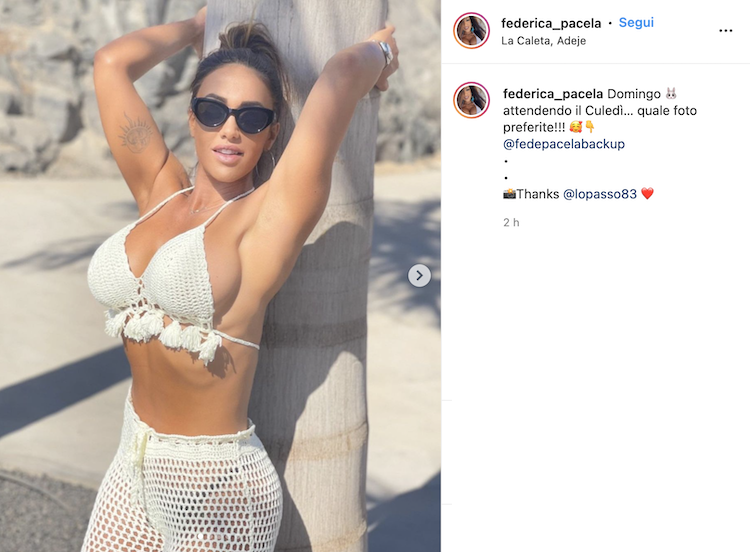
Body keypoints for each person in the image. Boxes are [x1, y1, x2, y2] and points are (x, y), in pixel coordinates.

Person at [81, 5, 398, 552]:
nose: (230, 128)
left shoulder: (269, 217)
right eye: (213, 111)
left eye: (252, 118)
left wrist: (384, 52)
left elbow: (343, 73)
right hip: (132, 461)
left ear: (272, 133)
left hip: (215, 489)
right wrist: (197, 27)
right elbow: (111, 63)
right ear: (192, 118)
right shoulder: (160, 193)